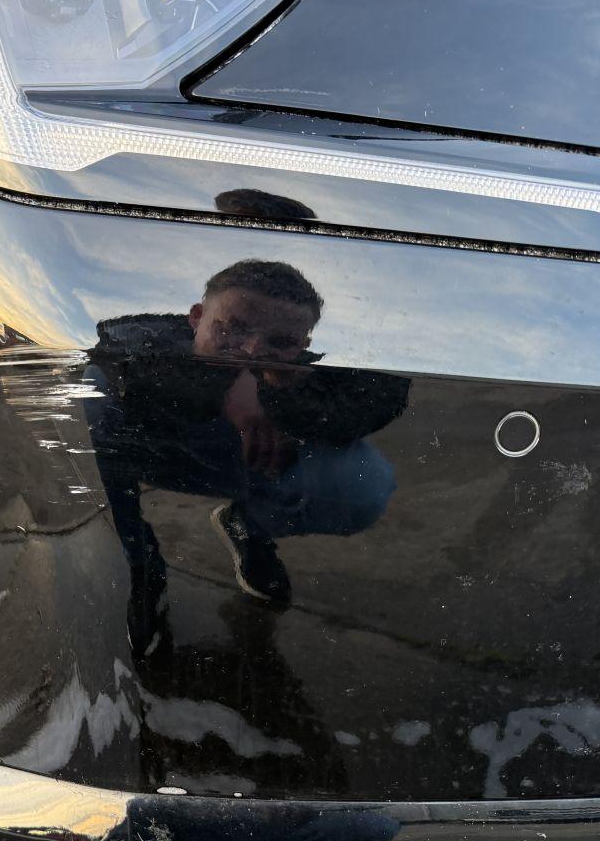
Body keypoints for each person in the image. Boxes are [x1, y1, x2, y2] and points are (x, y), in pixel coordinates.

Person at [86, 259, 408, 647]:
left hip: (253, 465)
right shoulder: (151, 334)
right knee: (95, 391)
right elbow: (107, 345)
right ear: (196, 317)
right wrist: (223, 386)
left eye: (280, 342)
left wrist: (280, 395)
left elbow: (386, 395)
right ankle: (140, 562)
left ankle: (247, 526)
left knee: (365, 485)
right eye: (233, 327)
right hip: (161, 455)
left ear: (303, 345)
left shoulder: (301, 369)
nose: (253, 351)